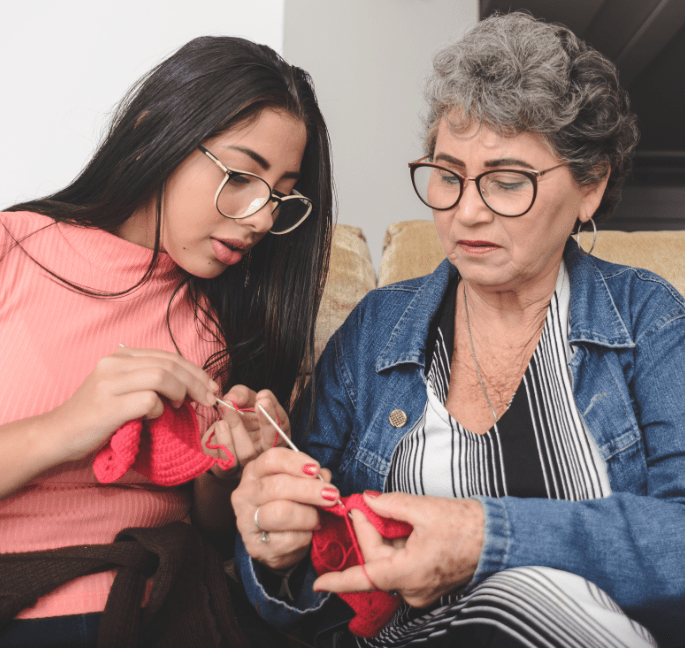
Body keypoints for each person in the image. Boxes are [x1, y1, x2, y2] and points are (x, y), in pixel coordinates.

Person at [231, 12, 685, 648]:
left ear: (591, 185)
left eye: (506, 182)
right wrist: (275, 550)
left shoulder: (649, 320)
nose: (466, 210)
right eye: (448, 176)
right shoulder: (374, 333)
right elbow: (311, 584)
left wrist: (485, 539)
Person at [0, 36, 333, 647]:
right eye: (241, 176)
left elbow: (207, 530)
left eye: (280, 195)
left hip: (173, 605)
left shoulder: (217, 322)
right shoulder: (14, 250)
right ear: (160, 132)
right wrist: (69, 425)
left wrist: (226, 470)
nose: (261, 218)